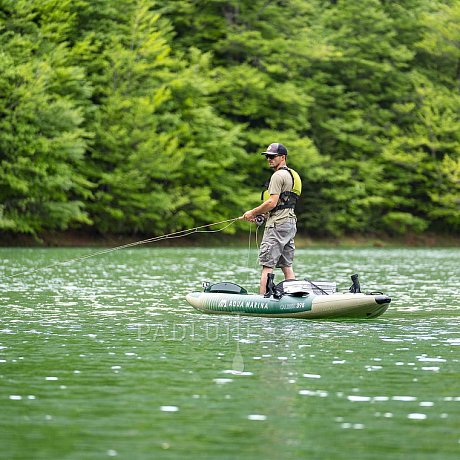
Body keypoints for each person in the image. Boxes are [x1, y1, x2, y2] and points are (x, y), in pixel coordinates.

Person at [242, 143, 302, 295]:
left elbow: (271, 202)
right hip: (289, 223)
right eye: (267, 156)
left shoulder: (277, 175)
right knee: (286, 265)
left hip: (277, 225)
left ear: (283, 157)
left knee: (267, 265)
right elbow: (283, 203)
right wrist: (262, 216)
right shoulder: (293, 175)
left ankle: (262, 300)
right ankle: (294, 297)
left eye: (272, 156)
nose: (269, 159)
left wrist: (253, 212)